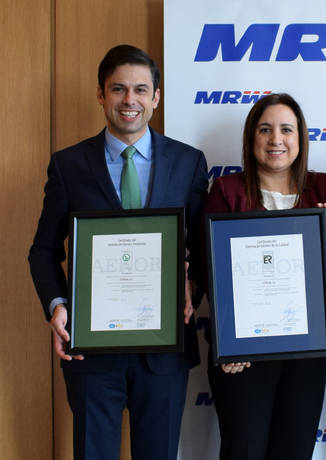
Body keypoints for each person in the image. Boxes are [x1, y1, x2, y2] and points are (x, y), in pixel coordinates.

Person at [28, 44, 208, 460]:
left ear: (156, 98)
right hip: (91, 350)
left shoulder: (188, 162)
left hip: (164, 352)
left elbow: (202, 246)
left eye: (141, 90)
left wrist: (192, 283)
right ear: (101, 94)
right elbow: (43, 249)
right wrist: (57, 304)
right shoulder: (68, 165)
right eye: (119, 89)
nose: (130, 101)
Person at [204, 93, 326, 460]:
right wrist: (227, 344)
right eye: (265, 130)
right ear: (251, 138)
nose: (276, 139)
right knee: (243, 450)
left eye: (286, 129)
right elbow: (212, 270)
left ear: (301, 138)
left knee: (295, 450)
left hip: (306, 350)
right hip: (244, 355)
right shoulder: (226, 191)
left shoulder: (323, 188)